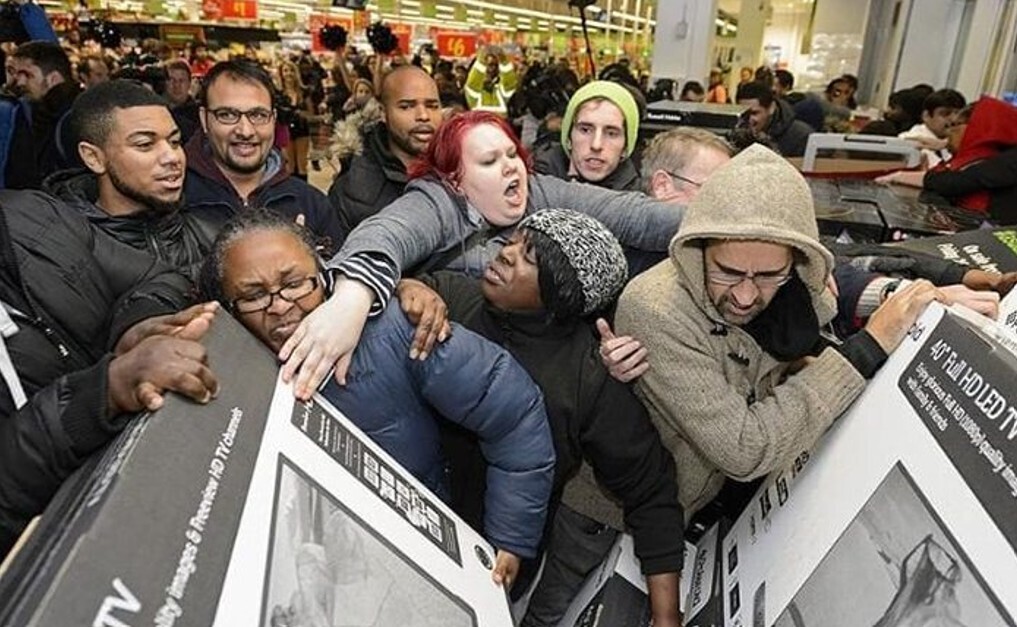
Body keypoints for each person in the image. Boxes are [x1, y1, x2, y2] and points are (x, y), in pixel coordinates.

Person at [198, 209, 556, 588]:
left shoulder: (399, 331)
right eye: (254, 295)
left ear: (323, 272)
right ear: (228, 306)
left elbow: (514, 413)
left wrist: (510, 538)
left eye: (295, 283)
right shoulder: (218, 366)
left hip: (421, 552)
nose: (281, 305)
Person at [613, 144, 947, 517]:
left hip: (694, 510)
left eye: (770, 275)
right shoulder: (654, 309)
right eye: (728, 271)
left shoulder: (794, 295)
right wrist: (866, 349)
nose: (744, 295)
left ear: (796, 261)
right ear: (699, 248)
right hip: (613, 526)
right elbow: (745, 449)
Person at [399, 210, 684, 627]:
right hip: (402, 521)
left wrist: (665, 617)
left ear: (561, 294)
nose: (506, 256)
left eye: (530, 258)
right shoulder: (452, 299)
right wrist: (407, 286)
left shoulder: (587, 379)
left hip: (492, 564)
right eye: (512, 242)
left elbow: (652, 491)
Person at [277, 110, 684, 400]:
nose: (511, 168)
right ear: (455, 179)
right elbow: (384, 234)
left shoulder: (541, 192)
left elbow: (635, 217)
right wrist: (352, 298)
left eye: (512, 155)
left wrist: (716, 223)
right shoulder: (437, 201)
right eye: (490, 161)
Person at [0, 186, 219, 557]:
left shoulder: (30, 213)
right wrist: (102, 392)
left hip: (142, 487)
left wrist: (135, 326)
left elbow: (158, 276)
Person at [44, 79, 219, 282]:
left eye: (174, 141)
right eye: (145, 144)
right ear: (94, 158)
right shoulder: (59, 254)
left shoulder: (213, 237)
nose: (172, 157)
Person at [184, 60, 344, 251]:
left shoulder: (311, 204)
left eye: (258, 115)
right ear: (204, 119)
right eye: (227, 115)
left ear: (273, 120)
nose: (245, 130)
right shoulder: (175, 201)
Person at [327, 65, 442, 233]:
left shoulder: (463, 174)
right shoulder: (352, 190)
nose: (423, 116)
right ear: (382, 112)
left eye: (432, 106)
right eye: (406, 106)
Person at [878, 97, 1017, 224]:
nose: (949, 132)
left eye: (954, 125)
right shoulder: (987, 158)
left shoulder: (989, 164)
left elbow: (958, 181)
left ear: (977, 128)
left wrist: (901, 176)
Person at [533, 80, 642, 191]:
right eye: (585, 130)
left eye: (611, 134)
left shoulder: (639, 202)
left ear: (626, 147)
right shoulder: (537, 183)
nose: (596, 145)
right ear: (569, 137)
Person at [8, 40, 81, 183]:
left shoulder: (73, 120)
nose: (20, 82)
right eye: (15, 74)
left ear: (53, 79)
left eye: (27, 75)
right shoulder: (39, 114)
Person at [736, 81, 812, 157]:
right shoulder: (736, 130)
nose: (748, 120)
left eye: (754, 113)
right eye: (743, 114)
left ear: (771, 108)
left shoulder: (801, 137)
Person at [897, 88, 966, 168]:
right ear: (926, 116)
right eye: (945, 113)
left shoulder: (952, 143)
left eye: (958, 114)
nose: (953, 119)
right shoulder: (907, 140)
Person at [464, 47, 517, 116]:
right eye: (489, 65)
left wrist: (503, 60)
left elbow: (510, 83)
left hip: (498, 126)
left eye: (495, 65)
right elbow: (473, 82)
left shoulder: (500, 91)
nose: (491, 69)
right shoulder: (473, 93)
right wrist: (482, 59)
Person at [163, 59, 200, 143]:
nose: (176, 85)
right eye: (171, 80)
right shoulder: (156, 109)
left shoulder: (198, 114)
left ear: (189, 83)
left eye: (181, 80)